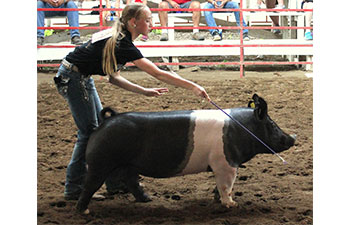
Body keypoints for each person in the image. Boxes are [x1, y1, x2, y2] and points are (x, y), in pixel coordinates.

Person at [54, 3, 210, 200]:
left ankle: (115, 182)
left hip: (78, 76)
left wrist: (143, 91)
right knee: (88, 132)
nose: (151, 23)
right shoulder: (122, 44)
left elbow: (114, 77)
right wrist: (193, 86)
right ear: (133, 22)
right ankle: (74, 188)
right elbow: (157, 73)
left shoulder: (117, 39)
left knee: (101, 129)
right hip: (74, 79)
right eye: (147, 20)